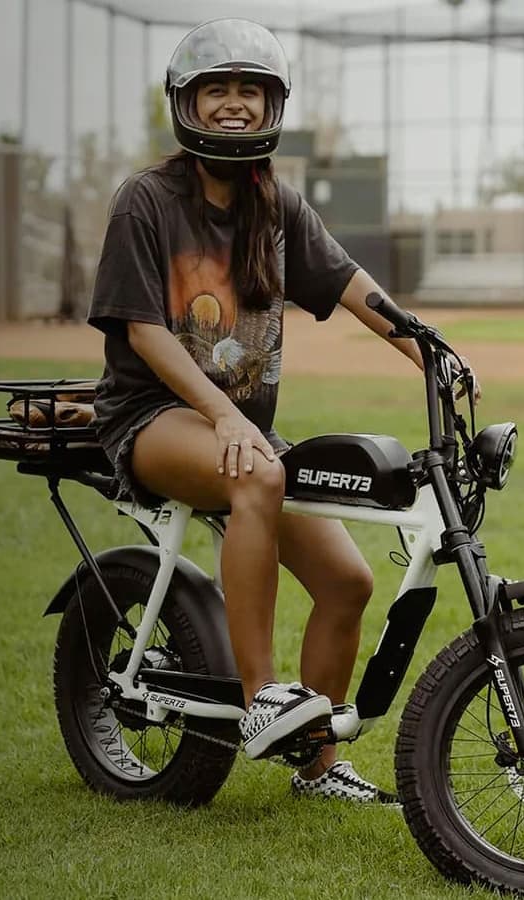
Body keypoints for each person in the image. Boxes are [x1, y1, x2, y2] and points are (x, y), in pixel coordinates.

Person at [84, 17, 476, 805]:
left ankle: (318, 767)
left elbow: (350, 283)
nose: (234, 104)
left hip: (240, 432)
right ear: (186, 103)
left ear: (272, 108)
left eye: (250, 92)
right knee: (259, 474)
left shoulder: (276, 205)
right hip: (151, 418)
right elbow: (144, 331)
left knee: (347, 581)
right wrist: (222, 416)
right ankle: (263, 693)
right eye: (216, 89)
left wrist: (429, 350)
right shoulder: (147, 201)